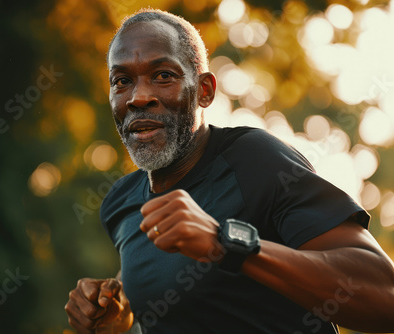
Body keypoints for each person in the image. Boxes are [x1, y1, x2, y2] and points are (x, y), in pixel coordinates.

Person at [65, 8, 394, 334]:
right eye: (122, 81)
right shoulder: (120, 203)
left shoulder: (254, 161)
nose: (139, 97)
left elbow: (384, 297)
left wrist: (225, 244)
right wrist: (119, 319)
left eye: (163, 75)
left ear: (205, 91)